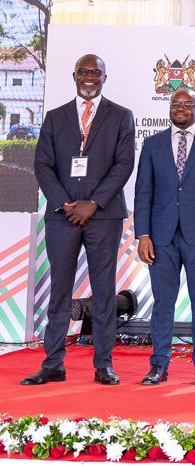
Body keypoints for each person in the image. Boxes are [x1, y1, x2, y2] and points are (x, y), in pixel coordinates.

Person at [24, 54, 136, 386]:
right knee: (59, 290)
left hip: (104, 216)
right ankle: (53, 363)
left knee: (104, 291)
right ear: (74, 76)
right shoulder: (55, 117)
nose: (90, 77)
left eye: (96, 73)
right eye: (84, 72)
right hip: (62, 215)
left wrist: (94, 203)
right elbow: (43, 164)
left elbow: (123, 164)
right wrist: (65, 203)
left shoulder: (121, 116)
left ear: (105, 77)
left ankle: (103, 364)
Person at [134, 88, 195, 386]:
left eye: (187, 104)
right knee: (163, 303)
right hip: (160, 238)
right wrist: (142, 234)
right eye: (176, 103)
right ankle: (159, 365)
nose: (181, 108)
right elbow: (143, 192)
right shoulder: (153, 143)